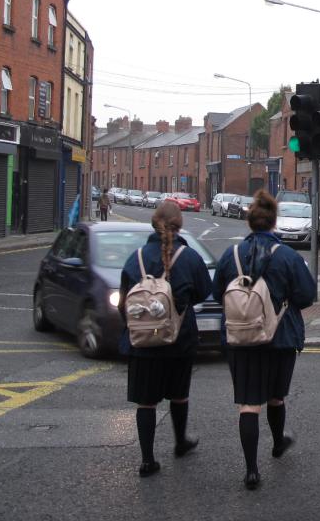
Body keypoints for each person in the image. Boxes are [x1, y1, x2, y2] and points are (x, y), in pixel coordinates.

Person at [212, 189, 316, 490]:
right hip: (280, 337)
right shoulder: (286, 255)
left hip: (240, 338)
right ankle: (278, 443)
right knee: (275, 397)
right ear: (273, 223)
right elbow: (306, 295)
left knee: (248, 403)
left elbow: (217, 292)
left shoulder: (231, 256)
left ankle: (251, 471)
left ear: (249, 222)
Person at [118, 201, 211, 477]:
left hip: (142, 342)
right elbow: (205, 291)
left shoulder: (135, 258)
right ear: (179, 225)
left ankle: (147, 459)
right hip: (179, 340)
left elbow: (123, 301)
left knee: (146, 402)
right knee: (179, 395)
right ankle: (180, 442)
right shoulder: (190, 257)